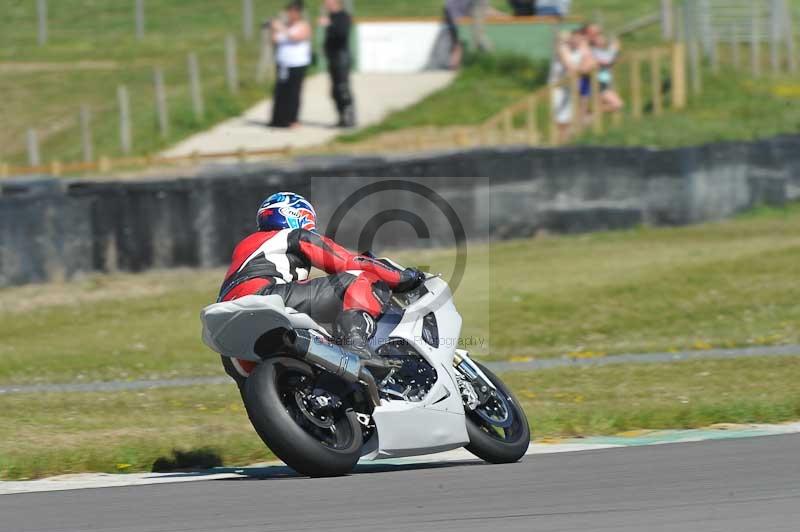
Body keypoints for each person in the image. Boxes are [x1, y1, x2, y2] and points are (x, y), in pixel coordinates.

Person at [217, 192, 426, 388]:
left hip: (231, 338)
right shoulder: (292, 234)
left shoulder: (247, 246)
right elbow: (348, 262)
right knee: (360, 278)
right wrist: (402, 277)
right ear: (296, 215)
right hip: (266, 296)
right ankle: (356, 344)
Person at [269, 1, 312, 128]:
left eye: (292, 11)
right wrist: (273, 29)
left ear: (298, 13)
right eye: (288, 11)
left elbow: (297, 37)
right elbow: (274, 41)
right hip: (283, 64)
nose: (290, 14)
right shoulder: (284, 26)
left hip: (297, 64)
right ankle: (278, 119)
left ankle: (293, 119)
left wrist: (281, 28)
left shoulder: (303, 25)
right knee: (280, 92)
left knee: (294, 93)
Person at [548, 28, 596, 143]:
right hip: (558, 86)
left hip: (569, 86)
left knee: (568, 117)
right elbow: (569, 66)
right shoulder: (562, 48)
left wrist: (584, 63)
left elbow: (591, 64)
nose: (577, 41)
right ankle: (559, 141)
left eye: (580, 38)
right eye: (574, 38)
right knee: (560, 117)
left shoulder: (582, 49)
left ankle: (565, 141)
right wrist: (581, 68)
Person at [319, 0, 356, 128]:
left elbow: (342, 34)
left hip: (341, 58)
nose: (326, 3)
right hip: (333, 58)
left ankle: (350, 119)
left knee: (342, 89)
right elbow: (330, 37)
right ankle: (341, 118)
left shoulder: (343, 16)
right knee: (334, 91)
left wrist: (329, 25)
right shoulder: (331, 16)